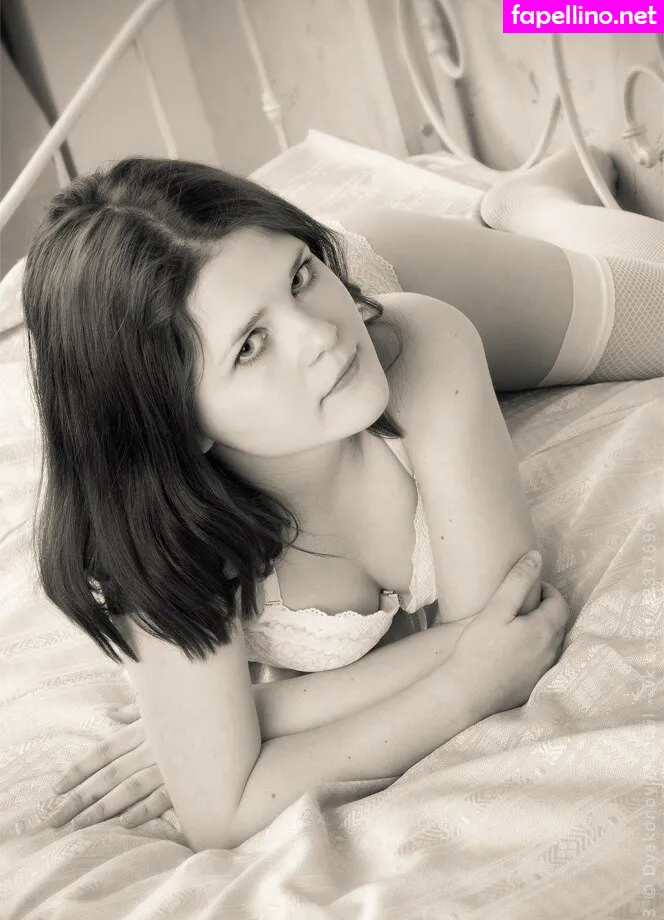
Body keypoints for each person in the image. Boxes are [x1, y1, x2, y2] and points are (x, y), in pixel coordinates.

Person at [31, 147, 662, 850]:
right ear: (179, 420)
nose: (320, 334)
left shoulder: (415, 343)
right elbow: (223, 813)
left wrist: (253, 716)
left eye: (300, 275)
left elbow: (507, 622)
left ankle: (534, 203)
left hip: (401, 282)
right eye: (250, 347)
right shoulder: (153, 533)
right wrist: (461, 691)